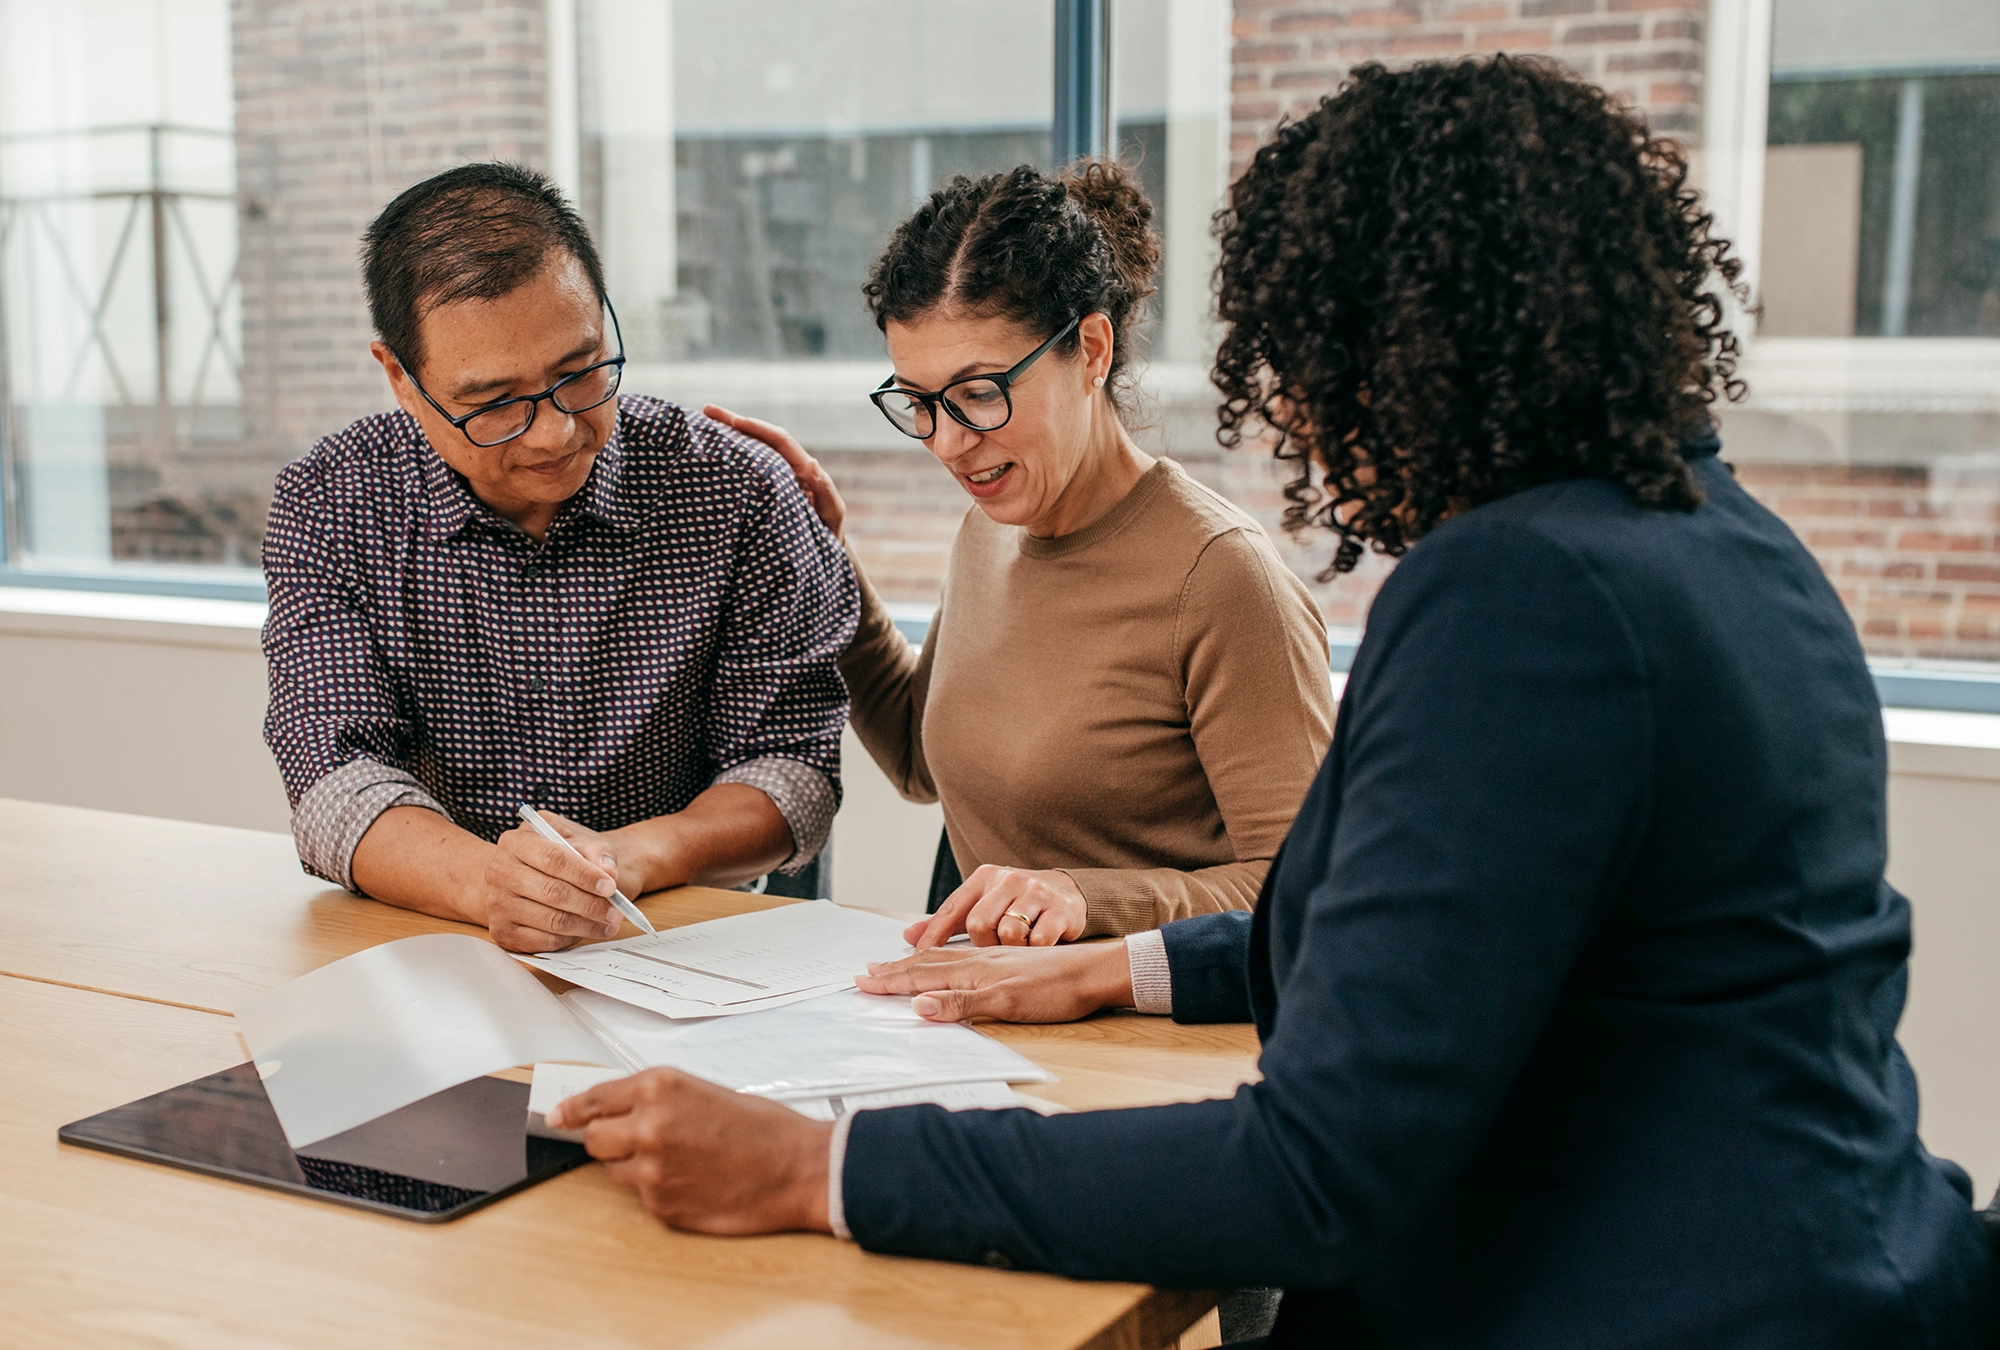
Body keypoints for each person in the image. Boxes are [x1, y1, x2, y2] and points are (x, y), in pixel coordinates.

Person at [548, 57, 1995, 1347]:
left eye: (1307, 359)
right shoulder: (1726, 543)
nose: (1296, 413)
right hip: (1843, 1257)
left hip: (1657, 1297)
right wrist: (1123, 968)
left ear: (1401, 350)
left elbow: (1319, 1167)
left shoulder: (1520, 593)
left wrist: (823, 1168)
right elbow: (1429, 932)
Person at [708, 159, 1335, 949]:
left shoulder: (1221, 577)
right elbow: (915, 757)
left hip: (1153, 1042)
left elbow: (1304, 891)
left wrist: (1085, 898)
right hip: (998, 1013)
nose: (947, 442)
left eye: (978, 393)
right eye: (919, 403)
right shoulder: (992, 527)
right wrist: (827, 556)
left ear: (1093, 349)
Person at [261, 163, 857, 954]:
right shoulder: (332, 502)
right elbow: (335, 775)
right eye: (495, 404)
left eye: (579, 374)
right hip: (436, 941)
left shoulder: (737, 489)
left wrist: (630, 858)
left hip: (684, 939)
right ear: (402, 380)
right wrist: (493, 886)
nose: (554, 433)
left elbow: (792, 770)